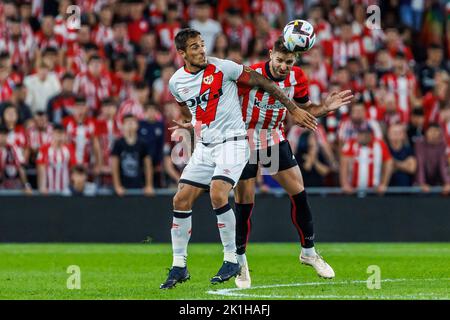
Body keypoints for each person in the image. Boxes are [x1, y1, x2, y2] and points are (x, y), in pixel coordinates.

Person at [160, 28, 318, 289]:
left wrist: (292, 109)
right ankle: (179, 266)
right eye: (195, 47)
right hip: (205, 146)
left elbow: (264, 82)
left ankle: (232, 258)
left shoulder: (223, 68)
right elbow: (189, 106)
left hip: (233, 143)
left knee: (218, 193)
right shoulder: (176, 82)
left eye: (202, 45)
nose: (201, 50)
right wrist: (193, 124)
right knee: (180, 199)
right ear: (181, 53)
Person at [233, 37, 353, 288]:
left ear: (295, 59)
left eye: (288, 61)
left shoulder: (298, 77)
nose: (283, 66)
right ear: (270, 54)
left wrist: (325, 108)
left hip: (273, 138)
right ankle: (240, 261)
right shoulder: (249, 73)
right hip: (243, 138)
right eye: (278, 60)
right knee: (245, 202)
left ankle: (308, 252)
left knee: (299, 193)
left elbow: (302, 112)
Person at [340, 126, 393, 194]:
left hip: (374, 190)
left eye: (365, 134)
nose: (362, 137)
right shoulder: (351, 144)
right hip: (353, 190)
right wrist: (345, 184)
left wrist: (384, 184)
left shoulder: (379, 144)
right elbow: (344, 163)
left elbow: (389, 163)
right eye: (360, 134)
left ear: (370, 135)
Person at [111, 114, 154, 197]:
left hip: (139, 186)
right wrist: (117, 186)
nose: (130, 124)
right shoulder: (118, 143)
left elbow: (148, 166)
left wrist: (149, 185)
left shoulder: (143, 143)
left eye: (132, 122)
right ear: (122, 126)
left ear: (137, 125)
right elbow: (114, 166)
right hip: (123, 187)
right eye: (127, 122)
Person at [36, 124, 76, 195]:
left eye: (62, 133)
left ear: (65, 135)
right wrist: (42, 187)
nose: (59, 136)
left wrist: (72, 187)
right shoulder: (44, 149)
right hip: (49, 190)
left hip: (65, 190)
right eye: (57, 133)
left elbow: (73, 168)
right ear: (52, 134)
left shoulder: (69, 149)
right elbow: (41, 168)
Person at [415, 123, 450, 195]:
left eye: (436, 132)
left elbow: (442, 165)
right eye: (431, 131)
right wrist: (422, 183)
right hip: (420, 179)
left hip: (437, 179)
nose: (433, 134)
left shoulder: (442, 145)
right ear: (426, 133)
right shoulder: (419, 144)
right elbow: (420, 164)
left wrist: (447, 183)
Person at [0, 126, 32, 194]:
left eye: (5, 134)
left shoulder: (13, 148)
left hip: (13, 183)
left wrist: (26, 185)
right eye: (1, 134)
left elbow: (21, 167)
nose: (2, 137)